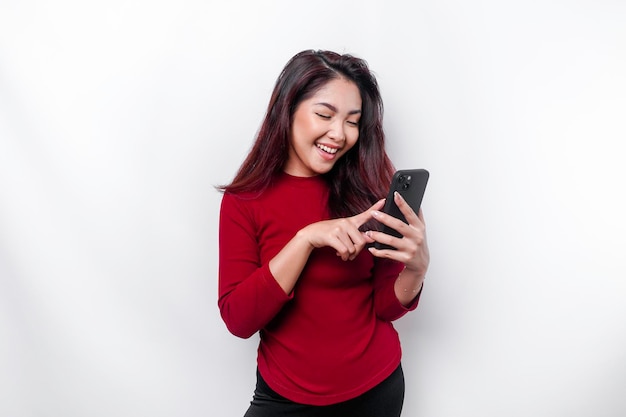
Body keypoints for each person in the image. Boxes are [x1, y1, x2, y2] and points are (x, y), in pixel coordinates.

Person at [217, 49, 430, 417]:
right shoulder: (244, 201)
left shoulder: (370, 187)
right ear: (287, 109)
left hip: (376, 389)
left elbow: (384, 306)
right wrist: (306, 238)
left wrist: (416, 270)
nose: (339, 134)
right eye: (324, 115)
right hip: (284, 396)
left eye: (353, 121)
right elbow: (239, 320)